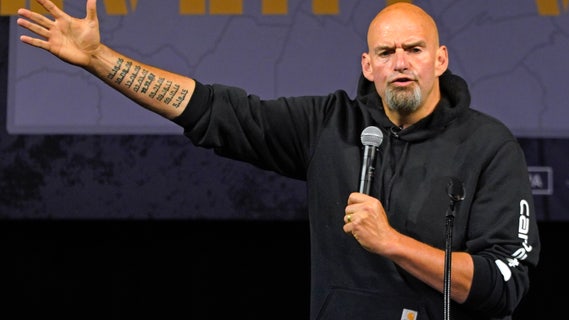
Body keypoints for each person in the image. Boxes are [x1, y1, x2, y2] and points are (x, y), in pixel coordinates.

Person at [17, 1, 540, 319]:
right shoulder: (330, 126)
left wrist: (393, 243)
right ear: (368, 65)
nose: (400, 63)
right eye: (385, 53)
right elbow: (214, 109)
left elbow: (504, 285)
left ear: (440, 59)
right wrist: (98, 60)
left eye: (414, 49)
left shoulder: (489, 147)